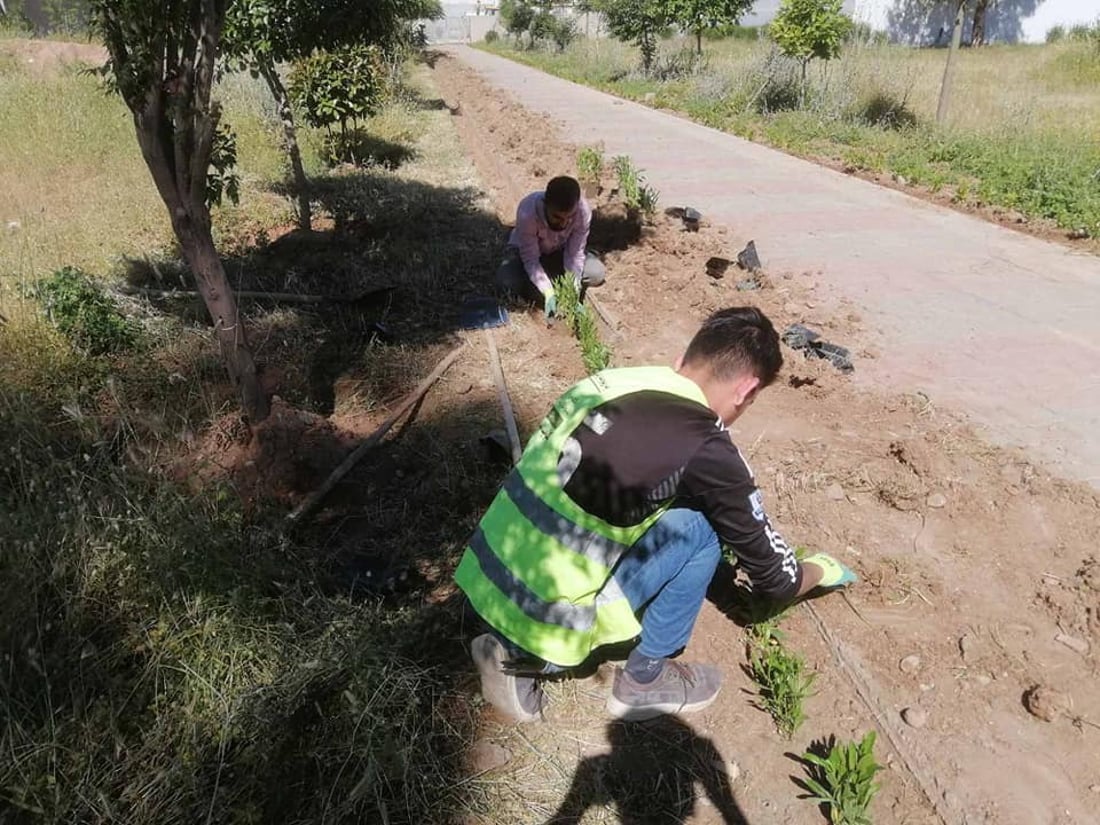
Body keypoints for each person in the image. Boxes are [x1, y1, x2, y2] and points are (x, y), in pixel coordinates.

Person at [455, 306, 856, 722]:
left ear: (684, 359)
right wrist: (821, 570)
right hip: (542, 624)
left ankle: (504, 634)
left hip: (483, 580)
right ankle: (638, 679)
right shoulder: (704, 442)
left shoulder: (610, 381)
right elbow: (777, 580)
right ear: (746, 390)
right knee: (701, 528)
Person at [496, 175, 605, 319]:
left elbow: (574, 255)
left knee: (596, 273)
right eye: (557, 217)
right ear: (545, 203)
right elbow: (531, 260)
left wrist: (573, 289)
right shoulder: (528, 212)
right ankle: (538, 282)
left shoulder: (582, 211)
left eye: (569, 217)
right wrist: (548, 292)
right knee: (507, 284)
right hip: (526, 250)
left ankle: (548, 275)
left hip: (560, 249)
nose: (564, 223)